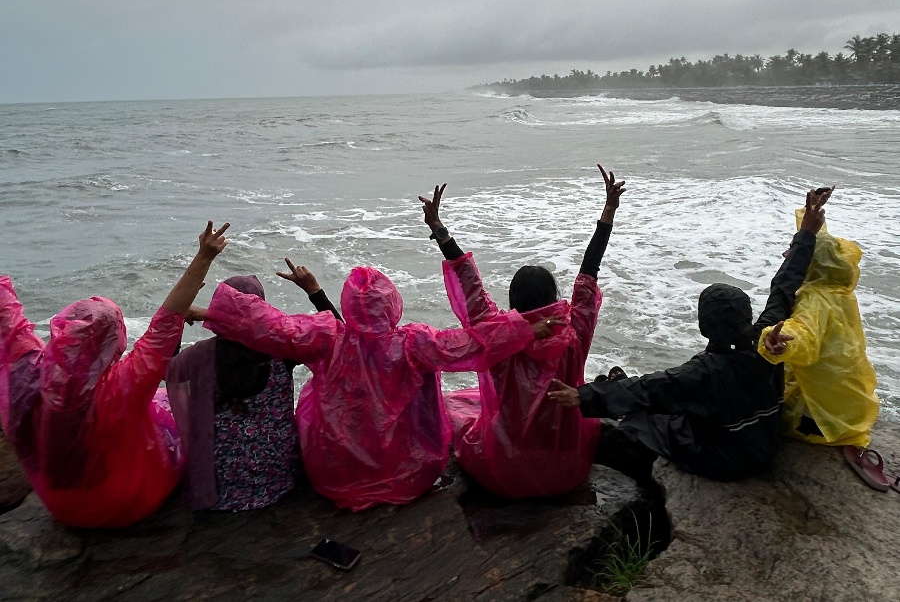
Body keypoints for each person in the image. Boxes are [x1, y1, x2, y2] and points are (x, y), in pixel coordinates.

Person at [198, 253, 559, 512]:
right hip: (406, 474)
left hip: (334, 474)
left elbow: (269, 325)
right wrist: (523, 329)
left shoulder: (327, 337)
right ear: (393, 305)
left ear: (347, 306)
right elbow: (472, 343)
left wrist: (206, 312)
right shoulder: (414, 343)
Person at [549, 188, 831, 483]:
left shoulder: (701, 373)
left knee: (647, 420)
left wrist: (581, 396)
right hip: (764, 444)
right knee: (673, 401)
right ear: (747, 317)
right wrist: (807, 233)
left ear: (704, 327)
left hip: (726, 459)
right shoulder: (767, 342)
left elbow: (649, 388)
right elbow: (784, 287)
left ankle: (623, 405)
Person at [0, 221, 229, 528]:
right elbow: (166, 323)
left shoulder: (27, 372)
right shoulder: (124, 384)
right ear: (114, 342)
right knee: (167, 407)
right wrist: (204, 257)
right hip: (127, 504)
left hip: (61, 507)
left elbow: (8, 321)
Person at [419, 164, 624, 498]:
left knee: (458, 413)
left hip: (505, 470)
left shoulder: (495, 335)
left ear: (513, 301)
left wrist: (440, 230)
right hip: (568, 467)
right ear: (555, 298)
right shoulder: (574, 333)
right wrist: (608, 211)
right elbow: (589, 272)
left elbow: (469, 284)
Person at [168, 262, 342, 512]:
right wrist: (314, 290)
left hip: (223, 481)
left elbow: (163, 367)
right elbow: (338, 334)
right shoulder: (283, 351)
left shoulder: (200, 356)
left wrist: (177, 319)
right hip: (278, 477)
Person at [757, 202, 885, 490]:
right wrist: (809, 217)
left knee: (752, 409)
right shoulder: (839, 291)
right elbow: (822, 248)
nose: (788, 254)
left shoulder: (814, 300)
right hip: (852, 410)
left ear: (813, 264)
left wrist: (777, 342)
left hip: (821, 421)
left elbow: (804, 333)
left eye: (797, 251)